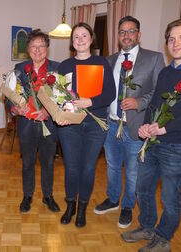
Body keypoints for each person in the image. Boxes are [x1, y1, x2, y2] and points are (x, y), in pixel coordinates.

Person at [121, 19, 181, 251]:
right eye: (171, 39)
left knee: (169, 198)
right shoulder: (165, 72)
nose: (176, 43)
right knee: (142, 189)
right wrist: (145, 127)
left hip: (179, 147)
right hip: (152, 143)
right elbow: (154, 105)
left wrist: (166, 128)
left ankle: (163, 239)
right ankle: (146, 226)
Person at [94, 16, 165, 228]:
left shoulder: (154, 58)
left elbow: (160, 91)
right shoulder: (109, 60)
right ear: (118, 36)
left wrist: (139, 102)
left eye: (131, 31)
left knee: (133, 170)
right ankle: (113, 199)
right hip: (112, 124)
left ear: (139, 35)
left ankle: (127, 206)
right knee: (113, 166)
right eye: (122, 32)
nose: (126, 35)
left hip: (136, 126)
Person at [57, 22, 116, 227]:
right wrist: (60, 114)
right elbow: (59, 97)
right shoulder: (64, 66)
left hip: (95, 124)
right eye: (76, 37)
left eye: (84, 36)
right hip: (70, 125)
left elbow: (110, 94)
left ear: (91, 39)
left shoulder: (102, 63)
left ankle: (82, 207)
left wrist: (90, 101)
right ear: (72, 42)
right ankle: (70, 204)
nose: (80, 40)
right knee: (72, 168)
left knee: (88, 168)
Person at [5, 29, 60, 213]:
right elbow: (8, 95)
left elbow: (62, 98)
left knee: (48, 163)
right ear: (28, 50)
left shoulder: (57, 69)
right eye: (33, 47)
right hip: (27, 124)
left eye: (41, 46)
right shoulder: (20, 69)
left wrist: (49, 111)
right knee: (27, 162)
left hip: (49, 124)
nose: (37, 50)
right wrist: (14, 108)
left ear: (47, 49)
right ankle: (27, 195)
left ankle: (48, 196)